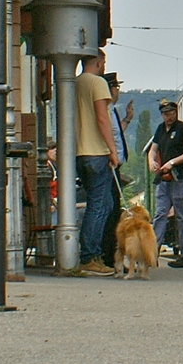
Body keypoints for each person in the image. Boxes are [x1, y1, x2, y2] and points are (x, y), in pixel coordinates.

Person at [74, 49, 118, 275]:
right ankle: (89, 257)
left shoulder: (73, 83)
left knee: (105, 204)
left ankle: (92, 253)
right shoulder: (97, 83)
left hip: (78, 152)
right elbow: (102, 118)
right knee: (99, 206)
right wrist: (112, 150)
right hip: (96, 152)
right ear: (100, 62)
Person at [147, 98, 183, 268]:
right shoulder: (160, 130)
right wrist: (151, 161)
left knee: (182, 214)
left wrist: (173, 162)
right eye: (165, 113)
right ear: (161, 115)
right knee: (160, 214)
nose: (168, 116)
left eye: (171, 113)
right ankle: (151, 252)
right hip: (164, 177)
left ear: (175, 113)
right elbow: (153, 149)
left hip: (180, 176)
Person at [99, 72, 135, 270]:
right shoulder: (105, 109)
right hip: (109, 164)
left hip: (114, 164)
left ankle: (111, 255)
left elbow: (116, 132)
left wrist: (128, 119)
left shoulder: (111, 109)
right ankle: (107, 255)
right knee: (109, 210)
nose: (118, 91)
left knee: (112, 210)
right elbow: (109, 133)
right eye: (116, 88)